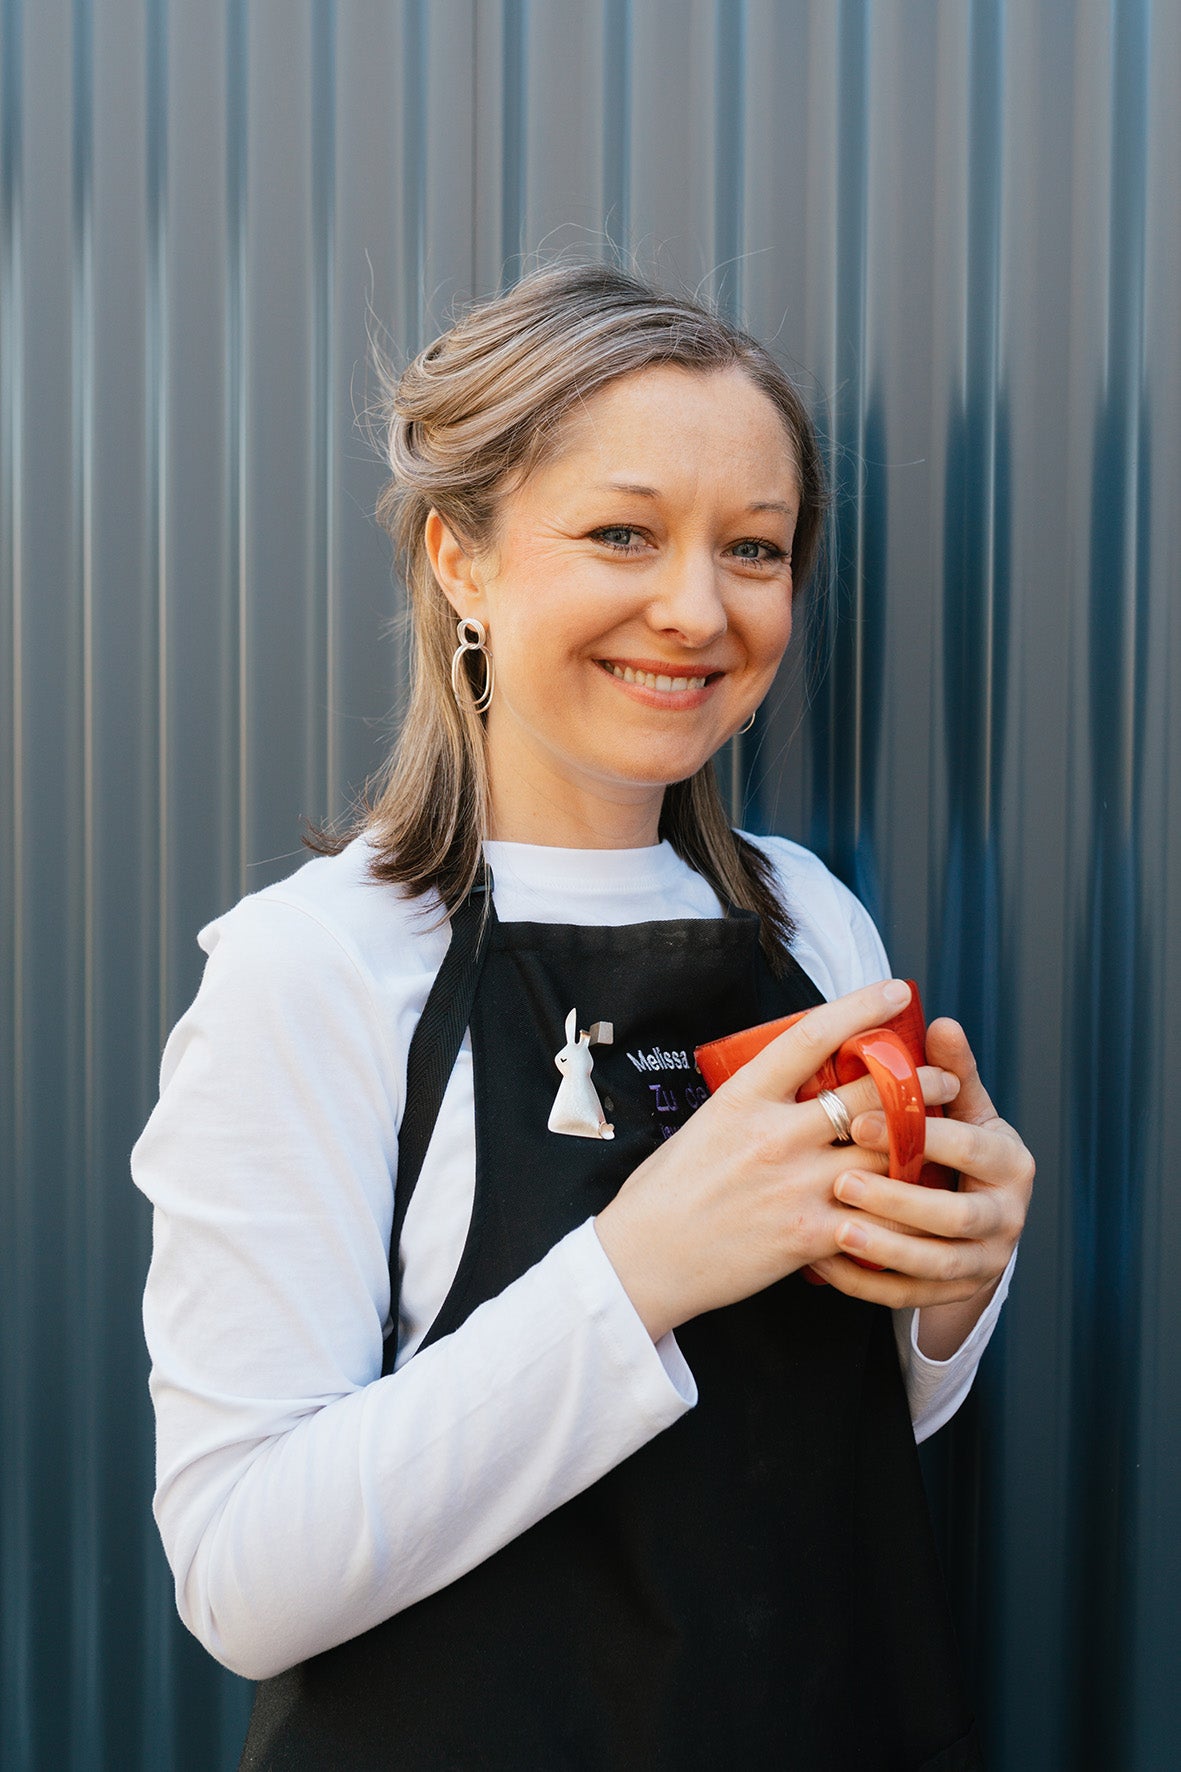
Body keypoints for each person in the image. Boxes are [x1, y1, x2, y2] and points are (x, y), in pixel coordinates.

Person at [133, 264, 1034, 1771]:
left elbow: (821, 1446)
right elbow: (241, 1579)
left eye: (753, 548)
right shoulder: (320, 969)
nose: (695, 609)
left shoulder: (808, 920)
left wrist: (947, 1289)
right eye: (622, 533)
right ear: (461, 563)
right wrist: (634, 1271)